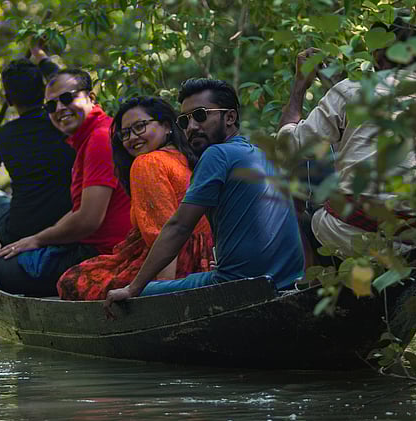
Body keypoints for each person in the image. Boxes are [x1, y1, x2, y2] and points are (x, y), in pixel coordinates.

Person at [276, 20, 416, 269]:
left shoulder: (350, 91)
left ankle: (321, 291)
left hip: (348, 234)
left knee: (307, 217)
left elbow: (287, 146)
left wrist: (299, 86)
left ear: (375, 54)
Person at [104, 78, 305, 312]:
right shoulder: (260, 154)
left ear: (230, 117)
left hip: (238, 285)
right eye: (185, 120)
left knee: (139, 293)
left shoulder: (217, 155)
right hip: (285, 281)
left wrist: (133, 288)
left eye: (200, 115)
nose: (191, 127)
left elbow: (179, 227)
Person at [0, 68, 132, 296]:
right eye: (51, 105)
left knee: (5, 268)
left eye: (67, 98)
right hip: (87, 243)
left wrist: (38, 240)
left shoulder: (99, 138)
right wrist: (39, 239)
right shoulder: (87, 137)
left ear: (91, 97)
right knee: (25, 254)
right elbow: (79, 211)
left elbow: (88, 220)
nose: (59, 108)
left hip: (102, 251)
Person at [57, 96, 214, 300]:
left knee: (71, 281)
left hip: (168, 263)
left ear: (167, 126)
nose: (132, 138)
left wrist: (161, 293)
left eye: (140, 127)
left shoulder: (147, 163)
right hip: (203, 260)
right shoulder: (189, 158)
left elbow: (164, 235)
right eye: (125, 133)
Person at [0, 58, 75, 247]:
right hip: (66, 223)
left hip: (20, 231)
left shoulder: (2, 135)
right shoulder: (63, 124)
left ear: (8, 100)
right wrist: (41, 58)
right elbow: (67, 83)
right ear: (44, 92)